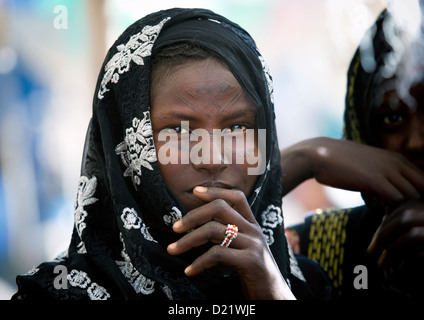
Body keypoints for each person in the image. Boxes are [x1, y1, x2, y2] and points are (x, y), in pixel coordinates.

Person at [11, 8, 334, 300]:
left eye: (238, 128)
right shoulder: (55, 296)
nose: (212, 159)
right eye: (179, 131)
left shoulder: (309, 285)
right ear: (124, 142)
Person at [283, 6, 424, 299]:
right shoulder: (322, 248)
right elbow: (188, 252)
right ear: (364, 130)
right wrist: (307, 158)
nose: (416, 142)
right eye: (392, 118)